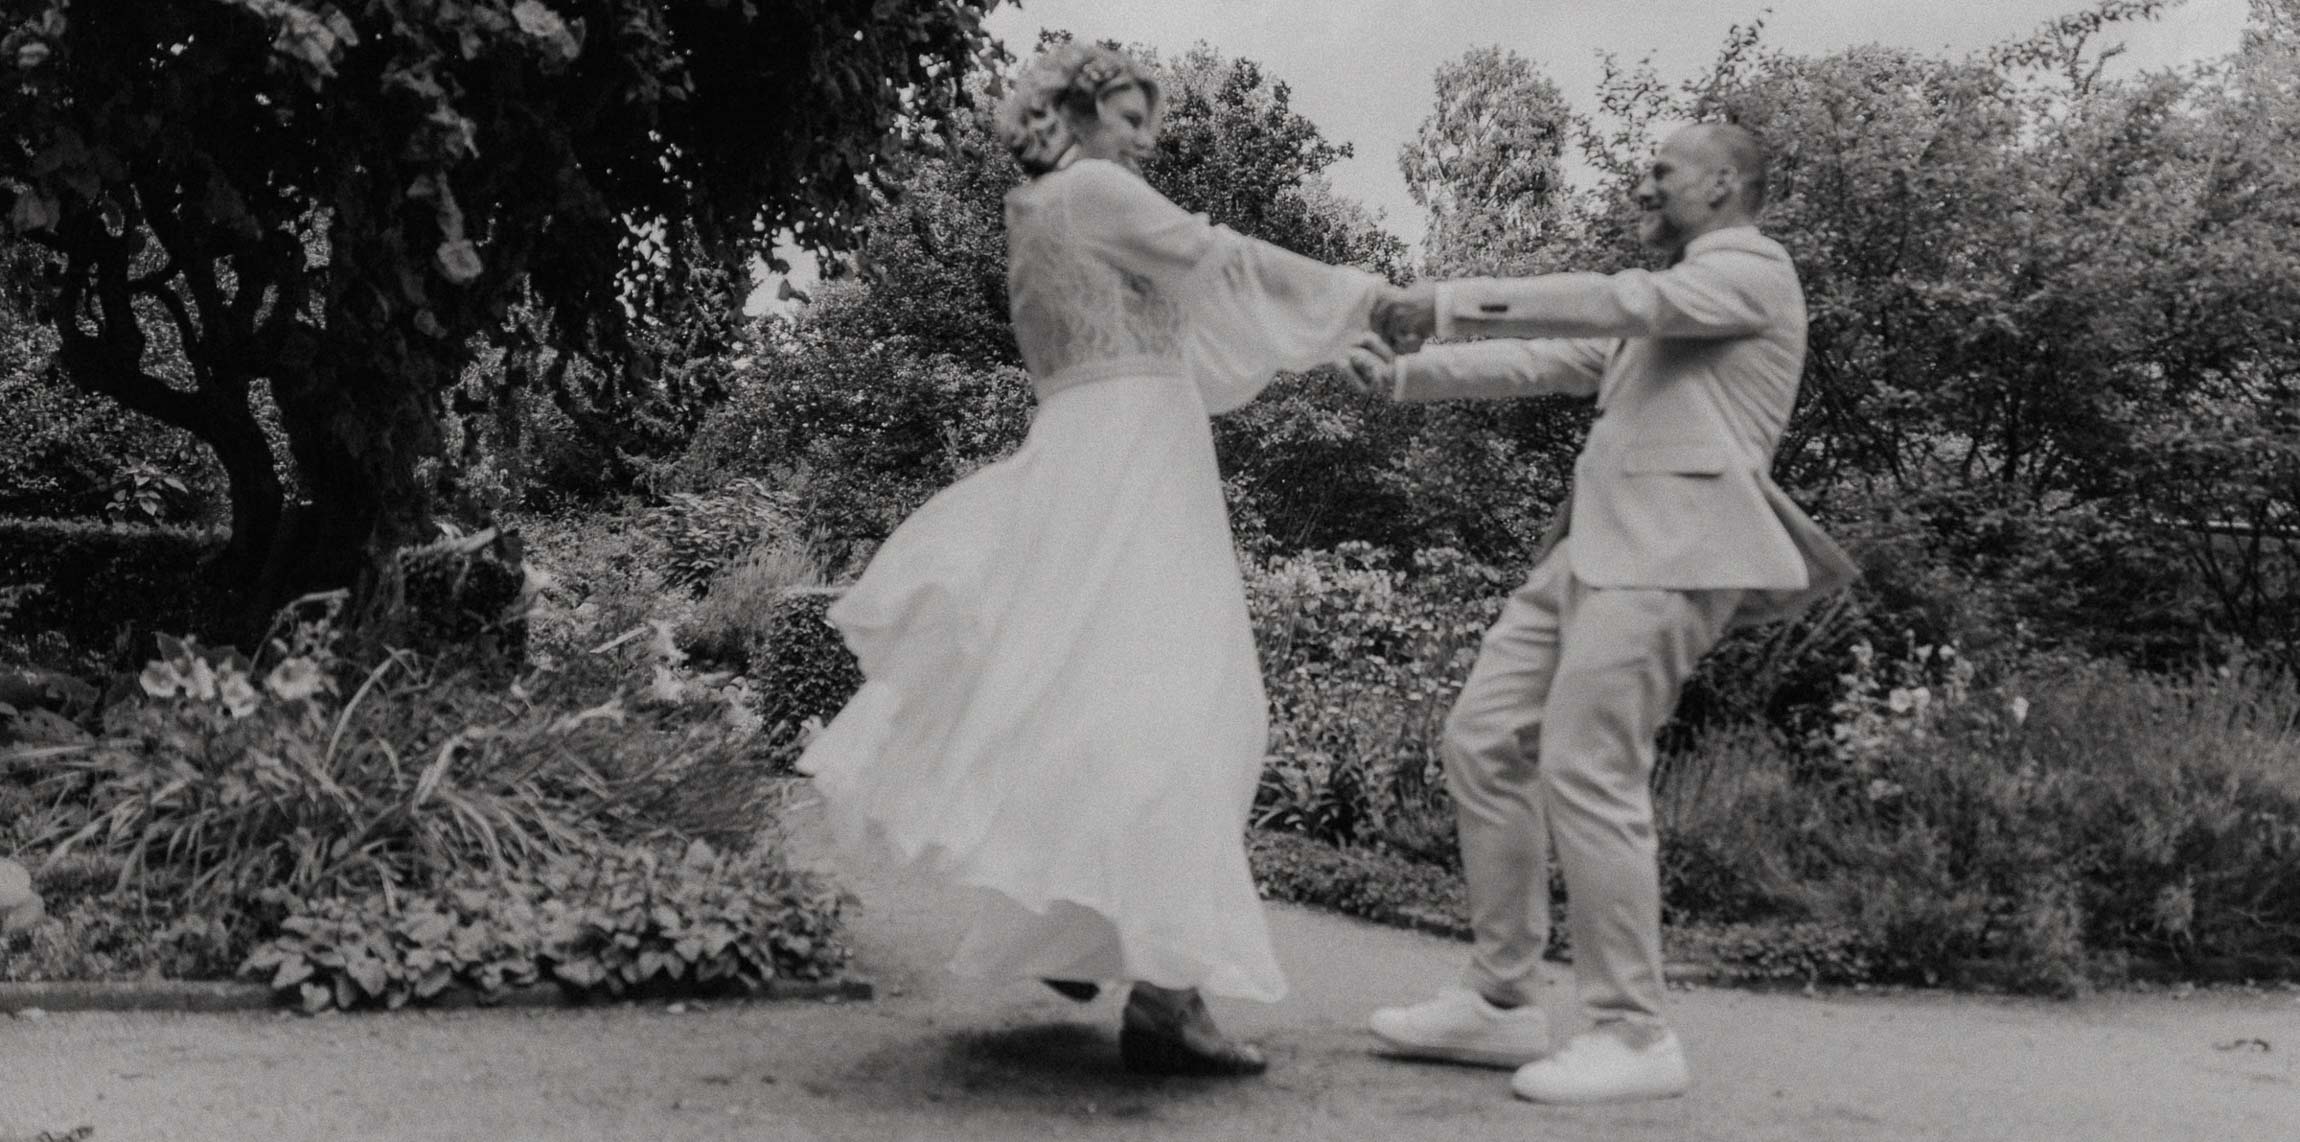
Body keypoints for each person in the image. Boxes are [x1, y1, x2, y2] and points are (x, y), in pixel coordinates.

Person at [797, 42, 1395, 1077]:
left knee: (1086, 686)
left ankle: (1087, 930)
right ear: (1073, 115)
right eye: (1127, 116)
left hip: (1089, 445)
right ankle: (1157, 989)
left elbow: (1170, 335)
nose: (1141, 138)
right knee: (1191, 700)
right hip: (1134, 462)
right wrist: (1362, 299)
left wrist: (1316, 347)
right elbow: (1221, 261)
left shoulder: (1038, 211)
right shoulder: (1096, 189)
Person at [1342, 122, 1858, 1104]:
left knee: (1588, 764)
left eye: (1660, 169)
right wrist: (1404, 374)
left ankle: (1631, 1029)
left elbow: (1618, 302)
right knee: (1480, 736)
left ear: (1719, 183)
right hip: (1593, 550)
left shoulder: (1751, 271)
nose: (1642, 181)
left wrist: (1443, 302)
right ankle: (1497, 999)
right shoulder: (1670, 302)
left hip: (1673, 554)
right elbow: (1553, 355)